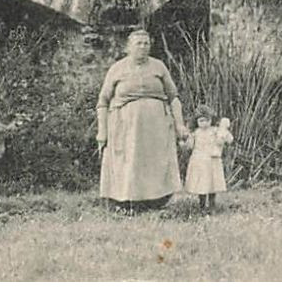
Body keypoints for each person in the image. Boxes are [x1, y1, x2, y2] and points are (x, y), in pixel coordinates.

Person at [95, 29, 188, 211]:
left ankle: (156, 201)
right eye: (138, 43)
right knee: (128, 162)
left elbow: (174, 97)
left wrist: (180, 124)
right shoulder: (117, 69)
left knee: (155, 164)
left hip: (156, 128)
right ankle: (125, 202)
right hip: (125, 126)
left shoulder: (159, 66)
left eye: (146, 43)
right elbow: (103, 102)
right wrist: (102, 131)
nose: (143, 47)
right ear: (128, 47)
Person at [183, 105, 234, 212]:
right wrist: (186, 142)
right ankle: (202, 205)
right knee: (201, 184)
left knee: (212, 183)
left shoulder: (215, 131)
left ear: (211, 120)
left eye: (207, 120)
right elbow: (190, 146)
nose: (204, 123)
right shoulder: (195, 133)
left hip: (212, 160)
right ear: (196, 121)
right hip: (199, 160)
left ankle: (212, 205)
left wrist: (223, 131)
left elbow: (228, 139)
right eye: (201, 121)